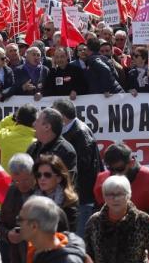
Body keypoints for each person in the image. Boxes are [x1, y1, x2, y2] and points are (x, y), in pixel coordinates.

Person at [50, 99, 102, 236]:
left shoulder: (80, 133)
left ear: (62, 117)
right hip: (75, 194)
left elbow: (82, 167)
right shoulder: (69, 130)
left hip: (82, 197)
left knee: (79, 238)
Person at [82, 175, 149, 263]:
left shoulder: (143, 220)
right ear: (104, 197)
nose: (115, 198)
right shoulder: (94, 221)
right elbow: (87, 255)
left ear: (128, 195)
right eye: (109, 194)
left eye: (119, 194)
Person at [92, 143, 149, 231]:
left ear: (131, 162)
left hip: (145, 235)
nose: (115, 174)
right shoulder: (102, 179)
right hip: (112, 235)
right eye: (111, 169)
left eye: (119, 169)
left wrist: (129, 223)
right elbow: (97, 210)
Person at [17, 196, 88, 263]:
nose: (18, 224)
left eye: (20, 219)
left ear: (34, 226)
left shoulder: (67, 260)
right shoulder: (37, 250)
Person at [0, 154, 36, 263]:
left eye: (25, 180)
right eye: (17, 181)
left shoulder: (42, 193)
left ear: (33, 175)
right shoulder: (10, 192)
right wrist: (8, 234)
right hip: (12, 254)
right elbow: (0, 223)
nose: (22, 185)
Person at [26, 108, 78, 185]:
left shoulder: (65, 151)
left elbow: (66, 185)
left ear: (47, 127)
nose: (33, 124)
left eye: (37, 121)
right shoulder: (33, 147)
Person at [33, 155, 79, 231]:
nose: (42, 178)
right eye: (38, 175)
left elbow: (68, 233)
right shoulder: (32, 199)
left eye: (47, 175)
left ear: (59, 178)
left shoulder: (69, 202)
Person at [0, 105, 38, 172]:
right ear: (34, 122)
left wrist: (12, 117)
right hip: (28, 181)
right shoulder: (38, 142)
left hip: (7, 181)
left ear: (17, 118)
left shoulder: (5, 137)